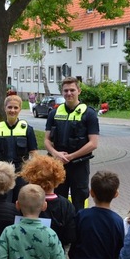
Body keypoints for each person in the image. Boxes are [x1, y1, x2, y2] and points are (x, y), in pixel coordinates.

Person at [44, 76, 100, 211]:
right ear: (62, 92)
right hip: (58, 165)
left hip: (79, 165)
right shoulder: (54, 113)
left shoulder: (89, 113)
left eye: (72, 90)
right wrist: (55, 154)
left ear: (79, 91)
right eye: (66, 90)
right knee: (57, 202)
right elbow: (46, 140)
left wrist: (70, 157)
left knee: (79, 201)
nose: (69, 93)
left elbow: (93, 143)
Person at [0, 94, 38, 202]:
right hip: (3, 174)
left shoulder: (27, 129)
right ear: (5, 108)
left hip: (21, 174)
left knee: (20, 202)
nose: (12, 110)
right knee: (3, 202)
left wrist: (27, 169)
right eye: (9, 107)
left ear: (20, 109)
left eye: (15, 107)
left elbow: (33, 152)